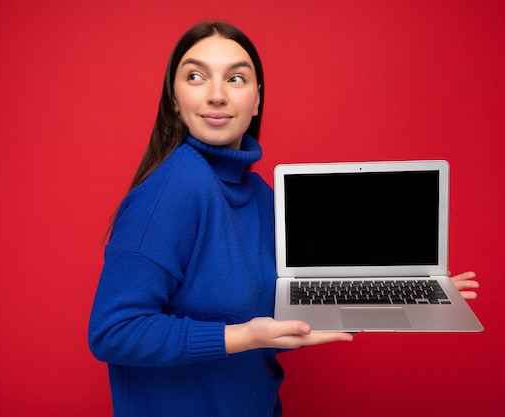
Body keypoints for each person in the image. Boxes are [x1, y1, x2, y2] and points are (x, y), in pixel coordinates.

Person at [88, 21, 480, 417]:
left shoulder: (260, 196)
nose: (217, 95)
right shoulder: (174, 190)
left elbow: (286, 314)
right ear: (174, 99)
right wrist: (244, 336)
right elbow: (113, 331)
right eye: (195, 76)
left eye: (237, 78)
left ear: (257, 99)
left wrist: (386, 295)